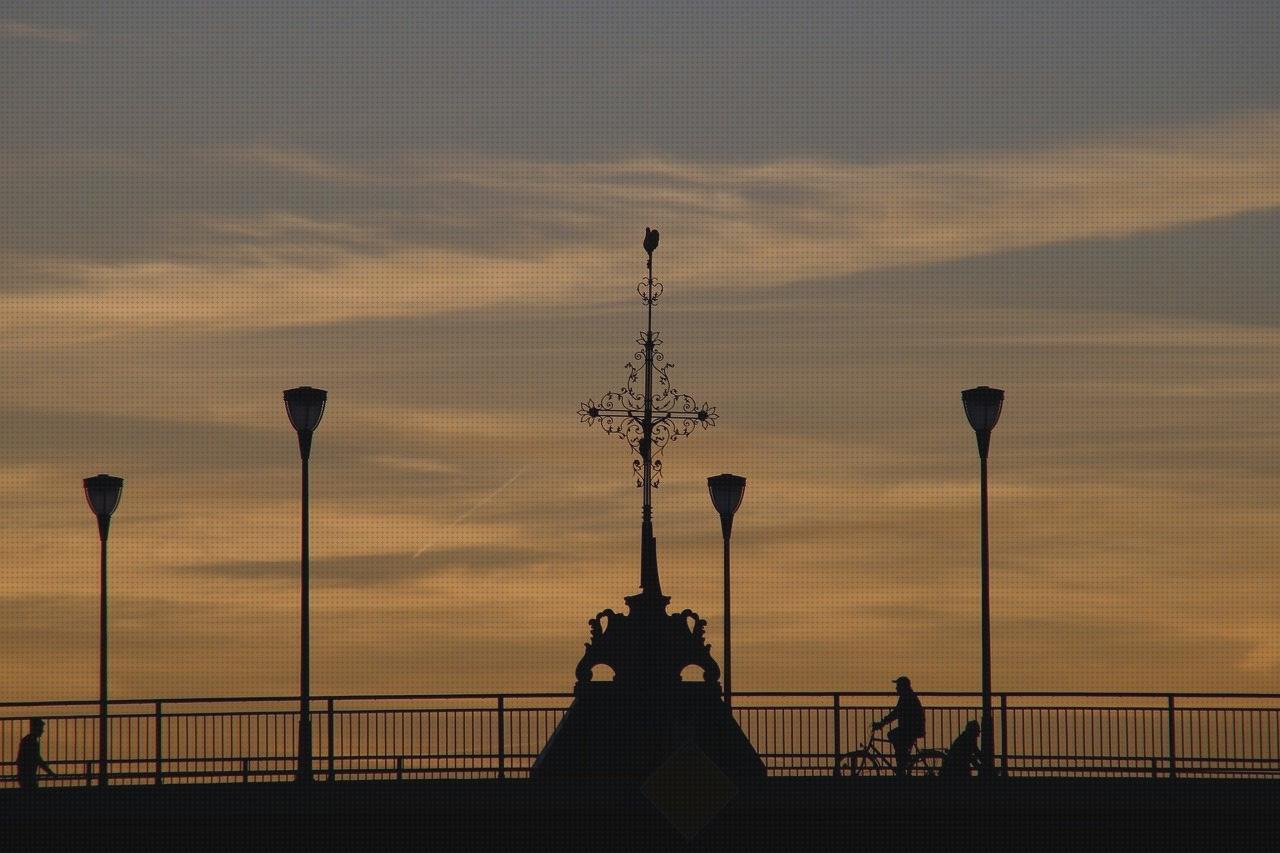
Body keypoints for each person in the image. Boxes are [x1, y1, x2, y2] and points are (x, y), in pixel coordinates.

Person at [873, 676, 925, 776]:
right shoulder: (908, 696)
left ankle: (903, 761)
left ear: (902, 686)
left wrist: (881, 723)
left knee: (892, 735)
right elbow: (897, 713)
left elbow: (896, 713)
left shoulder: (906, 697)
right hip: (912, 728)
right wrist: (882, 723)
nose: (896, 688)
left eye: (898, 686)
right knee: (897, 740)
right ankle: (903, 760)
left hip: (911, 728)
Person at [17, 717, 56, 789]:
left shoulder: (28, 740)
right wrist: (50, 772)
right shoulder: (32, 741)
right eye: (41, 728)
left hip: (25, 776)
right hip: (28, 776)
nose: (42, 730)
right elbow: (37, 759)